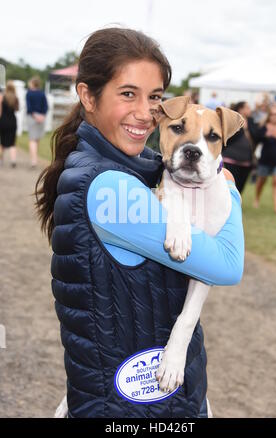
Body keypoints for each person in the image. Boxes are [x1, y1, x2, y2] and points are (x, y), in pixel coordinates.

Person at [35, 28, 244, 419]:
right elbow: (228, 264)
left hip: (149, 391)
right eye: (127, 94)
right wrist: (227, 187)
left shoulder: (133, 168)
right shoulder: (108, 189)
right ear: (87, 97)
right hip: (132, 404)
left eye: (155, 97)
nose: (146, 112)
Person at [222, 101, 256, 193]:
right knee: (230, 185)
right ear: (241, 109)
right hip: (231, 159)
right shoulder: (233, 121)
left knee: (240, 188)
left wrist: (248, 126)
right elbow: (228, 138)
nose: (250, 110)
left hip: (246, 161)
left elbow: (257, 136)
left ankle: (236, 204)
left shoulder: (251, 121)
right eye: (247, 107)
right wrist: (241, 127)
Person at [26, 76, 48, 168]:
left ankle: (33, 160)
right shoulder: (42, 94)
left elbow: (29, 107)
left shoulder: (29, 93)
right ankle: (35, 158)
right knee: (37, 139)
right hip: (41, 118)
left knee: (32, 139)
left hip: (32, 117)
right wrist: (42, 116)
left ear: (32, 83)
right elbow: (46, 106)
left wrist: (35, 116)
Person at [0, 81, 19, 167]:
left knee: (2, 142)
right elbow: (17, 109)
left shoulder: (2, 97)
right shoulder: (15, 98)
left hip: (3, 121)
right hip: (12, 122)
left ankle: (1, 160)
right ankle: (13, 161)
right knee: (12, 143)